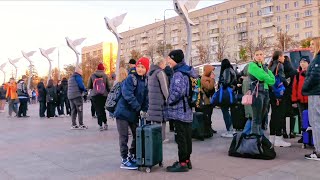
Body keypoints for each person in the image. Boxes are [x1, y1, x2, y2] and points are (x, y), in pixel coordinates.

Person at [114, 57, 149, 170]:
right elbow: (127, 94)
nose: (139, 69)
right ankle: (124, 159)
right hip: (123, 112)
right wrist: (139, 108)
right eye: (138, 66)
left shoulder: (145, 80)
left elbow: (145, 98)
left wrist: (145, 109)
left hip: (133, 112)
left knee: (137, 134)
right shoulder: (131, 78)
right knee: (124, 137)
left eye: (142, 67)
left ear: (146, 69)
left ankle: (132, 154)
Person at [166, 49, 197, 172]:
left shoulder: (178, 73)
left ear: (175, 59)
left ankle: (182, 163)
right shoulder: (186, 70)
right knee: (187, 135)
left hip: (180, 109)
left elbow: (178, 91)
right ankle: (187, 160)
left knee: (181, 137)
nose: (168, 61)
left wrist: (169, 100)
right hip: (187, 108)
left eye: (170, 59)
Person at [247, 49, 275, 137]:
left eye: (261, 54)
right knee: (256, 117)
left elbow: (272, 80)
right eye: (257, 54)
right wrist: (267, 77)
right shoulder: (252, 65)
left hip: (265, 92)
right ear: (254, 56)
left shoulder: (265, 67)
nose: (259, 56)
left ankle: (258, 136)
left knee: (262, 116)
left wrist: (266, 77)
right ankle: (255, 137)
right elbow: (261, 76)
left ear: (264, 56)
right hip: (257, 93)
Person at [302, 37, 320, 160]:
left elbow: (315, 76)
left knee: (315, 122)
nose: (311, 47)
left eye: (313, 44)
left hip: (315, 93)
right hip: (316, 92)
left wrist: (305, 87)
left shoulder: (317, 59)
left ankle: (318, 151)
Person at [268, 50, 291, 147]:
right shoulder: (279, 65)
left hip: (272, 93)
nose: (284, 58)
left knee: (273, 115)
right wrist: (287, 82)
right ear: (279, 57)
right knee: (280, 116)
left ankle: (272, 138)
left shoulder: (271, 65)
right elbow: (281, 78)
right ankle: (278, 138)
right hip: (279, 94)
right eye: (282, 56)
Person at [147, 57, 170, 142]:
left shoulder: (150, 73)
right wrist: (168, 98)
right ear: (161, 64)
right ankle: (162, 138)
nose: (165, 65)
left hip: (152, 100)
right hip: (160, 100)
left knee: (155, 119)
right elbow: (164, 88)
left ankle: (155, 137)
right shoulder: (160, 72)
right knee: (162, 119)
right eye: (164, 63)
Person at [292, 57, 310, 143]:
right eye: (301, 62)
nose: (302, 64)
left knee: (312, 118)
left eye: (304, 62)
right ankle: (304, 136)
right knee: (302, 118)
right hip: (300, 100)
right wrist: (294, 100)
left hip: (310, 99)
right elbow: (294, 88)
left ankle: (312, 136)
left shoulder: (311, 73)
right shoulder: (297, 75)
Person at [88, 63, 110, 131]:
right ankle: (105, 123)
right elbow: (108, 86)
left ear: (97, 69)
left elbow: (89, 86)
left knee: (98, 110)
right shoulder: (105, 76)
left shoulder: (92, 76)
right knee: (103, 109)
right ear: (103, 69)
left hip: (95, 95)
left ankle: (100, 125)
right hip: (103, 95)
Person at [218, 59, 237, 138]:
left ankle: (229, 130)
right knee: (230, 112)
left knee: (225, 111)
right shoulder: (232, 70)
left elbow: (226, 82)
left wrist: (221, 84)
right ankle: (232, 129)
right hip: (231, 93)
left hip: (226, 94)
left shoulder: (226, 70)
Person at [282, 56, 298, 139]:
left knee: (283, 114)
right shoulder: (294, 71)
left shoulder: (281, 70)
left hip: (283, 94)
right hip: (292, 94)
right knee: (292, 114)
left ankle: (284, 131)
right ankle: (292, 131)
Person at [200, 65, 217, 138]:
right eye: (211, 71)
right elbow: (209, 87)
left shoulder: (208, 78)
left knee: (210, 114)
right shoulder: (204, 78)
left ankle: (209, 128)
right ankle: (207, 130)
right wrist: (212, 79)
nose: (212, 72)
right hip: (206, 100)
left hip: (209, 99)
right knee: (207, 114)